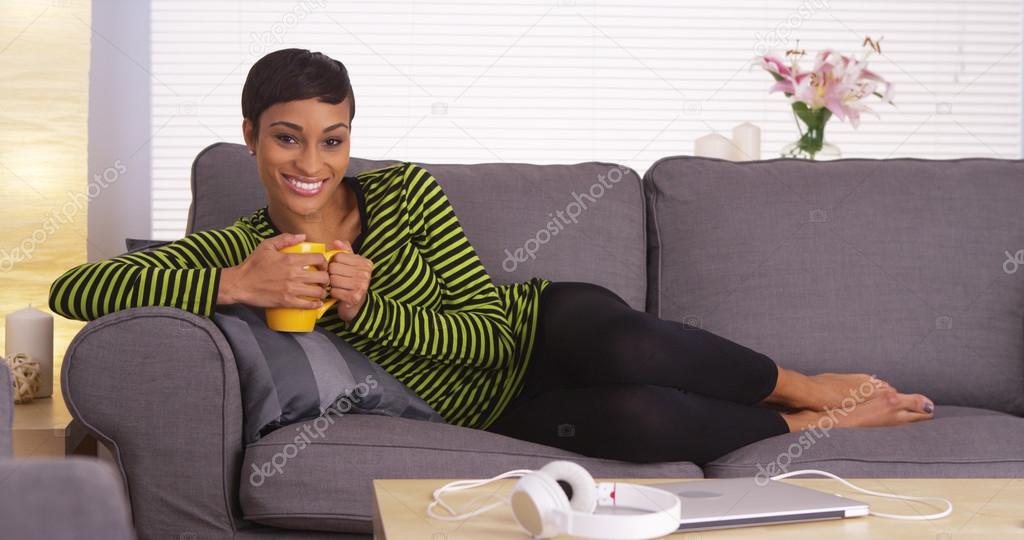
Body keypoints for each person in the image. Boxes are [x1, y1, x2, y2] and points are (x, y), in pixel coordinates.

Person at [49, 48, 935, 465]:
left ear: (352, 139)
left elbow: (481, 329)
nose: (312, 166)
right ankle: (815, 428)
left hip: (535, 330)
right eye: (287, 139)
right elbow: (76, 289)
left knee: (628, 348)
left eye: (332, 140)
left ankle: (809, 384)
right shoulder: (241, 250)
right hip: (494, 415)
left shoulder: (404, 196)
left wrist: (372, 309)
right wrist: (231, 283)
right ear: (250, 138)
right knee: (638, 428)